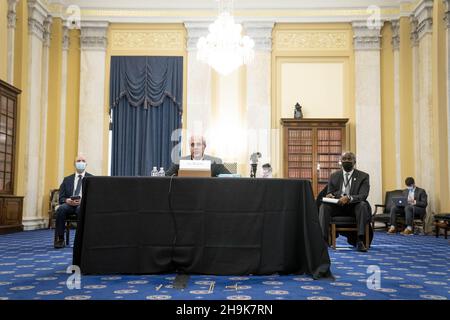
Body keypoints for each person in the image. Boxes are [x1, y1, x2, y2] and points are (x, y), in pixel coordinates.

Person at [319, 152, 372, 252]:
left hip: (354, 206)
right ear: (341, 162)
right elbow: (330, 192)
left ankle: (360, 240)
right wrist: (330, 195)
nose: (346, 161)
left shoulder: (363, 176)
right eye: (344, 159)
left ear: (354, 162)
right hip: (338, 206)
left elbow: (363, 195)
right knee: (324, 206)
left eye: (349, 159)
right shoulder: (334, 176)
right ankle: (323, 240)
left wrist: (349, 198)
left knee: (363, 205)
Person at [54, 154, 93, 249]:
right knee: (61, 209)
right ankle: (60, 238)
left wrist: (83, 201)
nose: (81, 163)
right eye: (78, 161)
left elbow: (94, 197)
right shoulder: (67, 179)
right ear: (74, 164)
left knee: (81, 210)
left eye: (83, 161)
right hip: (69, 205)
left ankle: (81, 239)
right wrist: (67, 200)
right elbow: (61, 198)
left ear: (86, 164)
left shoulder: (92, 179)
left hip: (82, 205)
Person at [165, 135, 230, 177]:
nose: (195, 147)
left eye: (198, 144)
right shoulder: (179, 161)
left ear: (204, 146)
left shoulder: (215, 162)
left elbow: (231, 177)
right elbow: (166, 176)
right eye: (192, 145)